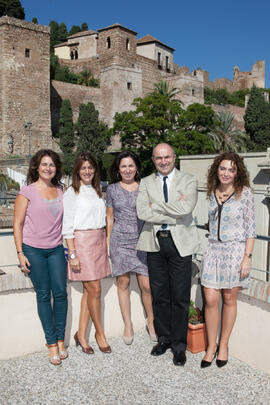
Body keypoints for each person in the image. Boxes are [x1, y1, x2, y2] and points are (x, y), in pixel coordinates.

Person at [136, 143, 200, 366]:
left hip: (180, 245)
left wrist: (157, 207)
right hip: (155, 244)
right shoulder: (145, 182)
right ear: (153, 160)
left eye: (167, 157)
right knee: (160, 295)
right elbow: (142, 211)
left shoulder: (189, 180)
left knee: (180, 297)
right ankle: (163, 339)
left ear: (174, 157)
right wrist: (172, 209)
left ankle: (179, 346)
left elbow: (186, 209)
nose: (163, 161)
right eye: (158, 158)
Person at [200, 152, 256, 368]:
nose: (226, 173)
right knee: (211, 300)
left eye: (231, 169)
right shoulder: (212, 192)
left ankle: (223, 346)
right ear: (217, 170)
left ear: (237, 173)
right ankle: (210, 346)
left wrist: (247, 258)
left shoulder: (246, 194)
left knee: (229, 299)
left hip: (235, 252)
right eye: (223, 168)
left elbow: (251, 229)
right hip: (213, 251)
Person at [13, 149, 68, 366]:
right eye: (44, 164)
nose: (48, 168)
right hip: (33, 250)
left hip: (55, 249)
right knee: (44, 295)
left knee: (61, 293)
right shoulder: (26, 191)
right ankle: (51, 343)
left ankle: (61, 338)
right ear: (37, 167)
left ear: (56, 169)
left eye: (52, 165)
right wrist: (20, 253)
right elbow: (17, 224)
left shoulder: (61, 191)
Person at [62, 152, 111, 354]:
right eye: (83, 168)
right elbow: (67, 226)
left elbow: (105, 220)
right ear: (77, 171)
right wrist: (72, 255)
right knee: (95, 290)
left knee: (89, 292)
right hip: (81, 244)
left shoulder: (98, 191)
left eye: (90, 167)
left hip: (98, 242)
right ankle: (100, 333)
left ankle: (81, 334)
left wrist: (106, 243)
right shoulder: (71, 193)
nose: (87, 171)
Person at [106, 151, 156, 345]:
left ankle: (151, 321)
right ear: (118, 169)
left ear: (137, 168)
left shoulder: (146, 187)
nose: (127, 170)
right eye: (123, 166)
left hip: (142, 240)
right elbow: (109, 217)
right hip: (119, 241)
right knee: (123, 283)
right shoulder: (111, 189)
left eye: (131, 166)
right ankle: (128, 324)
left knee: (146, 285)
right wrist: (108, 242)